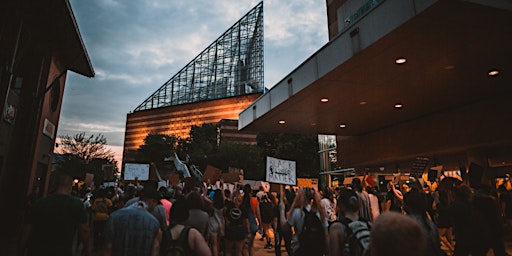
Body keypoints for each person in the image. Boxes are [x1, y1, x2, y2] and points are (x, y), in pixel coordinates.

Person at [22, 171, 91, 256]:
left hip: (37, 250)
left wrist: (20, 250)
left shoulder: (40, 203)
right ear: (70, 187)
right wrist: (87, 249)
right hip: (62, 251)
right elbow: (84, 230)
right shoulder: (76, 204)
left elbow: (26, 230)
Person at [102, 186, 162, 256]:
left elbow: (108, 247)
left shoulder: (114, 217)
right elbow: (155, 248)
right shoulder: (154, 222)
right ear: (151, 201)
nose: (155, 207)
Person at [279, 187, 328, 256]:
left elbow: (285, 227)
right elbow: (326, 233)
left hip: (301, 249)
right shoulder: (320, 213)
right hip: (317, 250)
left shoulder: (297, 212)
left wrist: (281, 210)